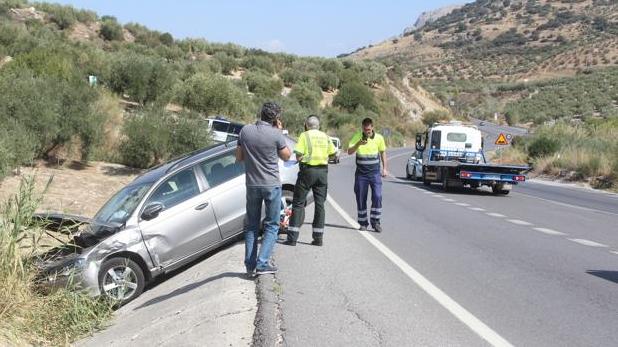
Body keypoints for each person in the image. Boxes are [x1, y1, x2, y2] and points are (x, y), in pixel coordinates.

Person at [236, 102, 291, 276]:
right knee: (272, 224)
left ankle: (250, 265)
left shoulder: (245, 131)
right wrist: (280, 133)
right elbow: (287, 156)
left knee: (251, 225)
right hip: (271, 184)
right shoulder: (276, 134)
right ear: (275, 118)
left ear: (261, 114)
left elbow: (239, 157)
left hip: (252, 184)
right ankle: (262, 263)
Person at [284, 115, 336, 247]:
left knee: (298, 203)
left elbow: (299, 155)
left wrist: (304, 158)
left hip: (307, 172)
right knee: (320, 205)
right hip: (322, 173)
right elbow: (333, 154)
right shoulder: (325, 136)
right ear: (319, 125)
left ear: (306, 125)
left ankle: (292, 238)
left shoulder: (304, 135)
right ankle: (318, 239)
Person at [347, 117, 388, 233]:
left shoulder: (379, 138)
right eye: (365, 130)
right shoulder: (357, 136)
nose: (367, 132)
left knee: (377, 196)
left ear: (372, 128)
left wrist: (385, 168)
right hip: (361, 174)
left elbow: (383, 152)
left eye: (369, 130)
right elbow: (349, 151)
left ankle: (375, 222)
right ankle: (363, 223)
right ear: (362, 128)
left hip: (374, 173)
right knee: (361, 198)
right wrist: (358, 143)